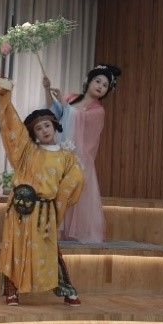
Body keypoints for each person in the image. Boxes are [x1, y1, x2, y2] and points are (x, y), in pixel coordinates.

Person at [0, 76, 84, 305]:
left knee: (50, 250)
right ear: (33, 133)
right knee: (15, 248)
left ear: (55, 125)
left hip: (46, 211)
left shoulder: (67, 156)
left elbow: (74, 180)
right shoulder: (27, 151)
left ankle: (65, 287)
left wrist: (58, 205)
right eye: (38, 128)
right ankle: (11, 289)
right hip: (22, 209)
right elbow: (12, 126)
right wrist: (5, 95)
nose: (43, 130)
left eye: (47, 125)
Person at [44, 63, 120, 244]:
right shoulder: (72, 97)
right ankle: (52, 232)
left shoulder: (98, 111)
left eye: (105, 85)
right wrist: (47, 89)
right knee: (55, 192)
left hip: (79, 161)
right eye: (98, 81)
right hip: (59, 154)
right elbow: (54, 114)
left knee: (72, 196)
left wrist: (64, 104)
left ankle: (70, 236)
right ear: (89, 80)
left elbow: (77, 119)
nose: (100, 86)